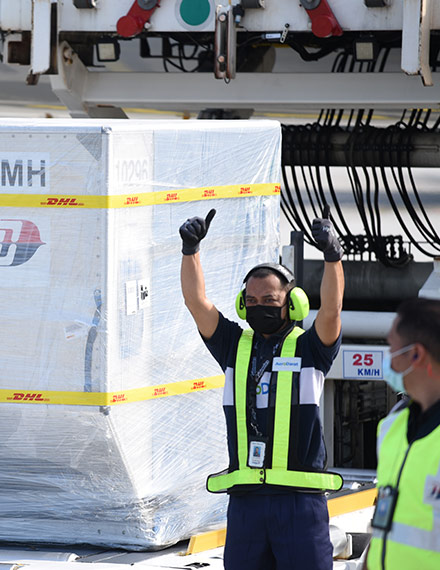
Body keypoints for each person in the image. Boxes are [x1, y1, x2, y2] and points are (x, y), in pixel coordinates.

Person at [179, 206, 345, 570]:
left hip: (300, 502)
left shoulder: (310, 348)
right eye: (251, 302)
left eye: (270, 301)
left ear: (292, 303)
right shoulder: (233, 345)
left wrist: (332, 258)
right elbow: (196, 303)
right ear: (242, 305)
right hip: (247, 502)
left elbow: (331, 312)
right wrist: (190, 250)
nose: (259, 308)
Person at [365, 297, 440, 569]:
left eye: (391, 348)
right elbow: (387, 517)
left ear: (416, 354)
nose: (388, 359)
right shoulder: (392, 426)